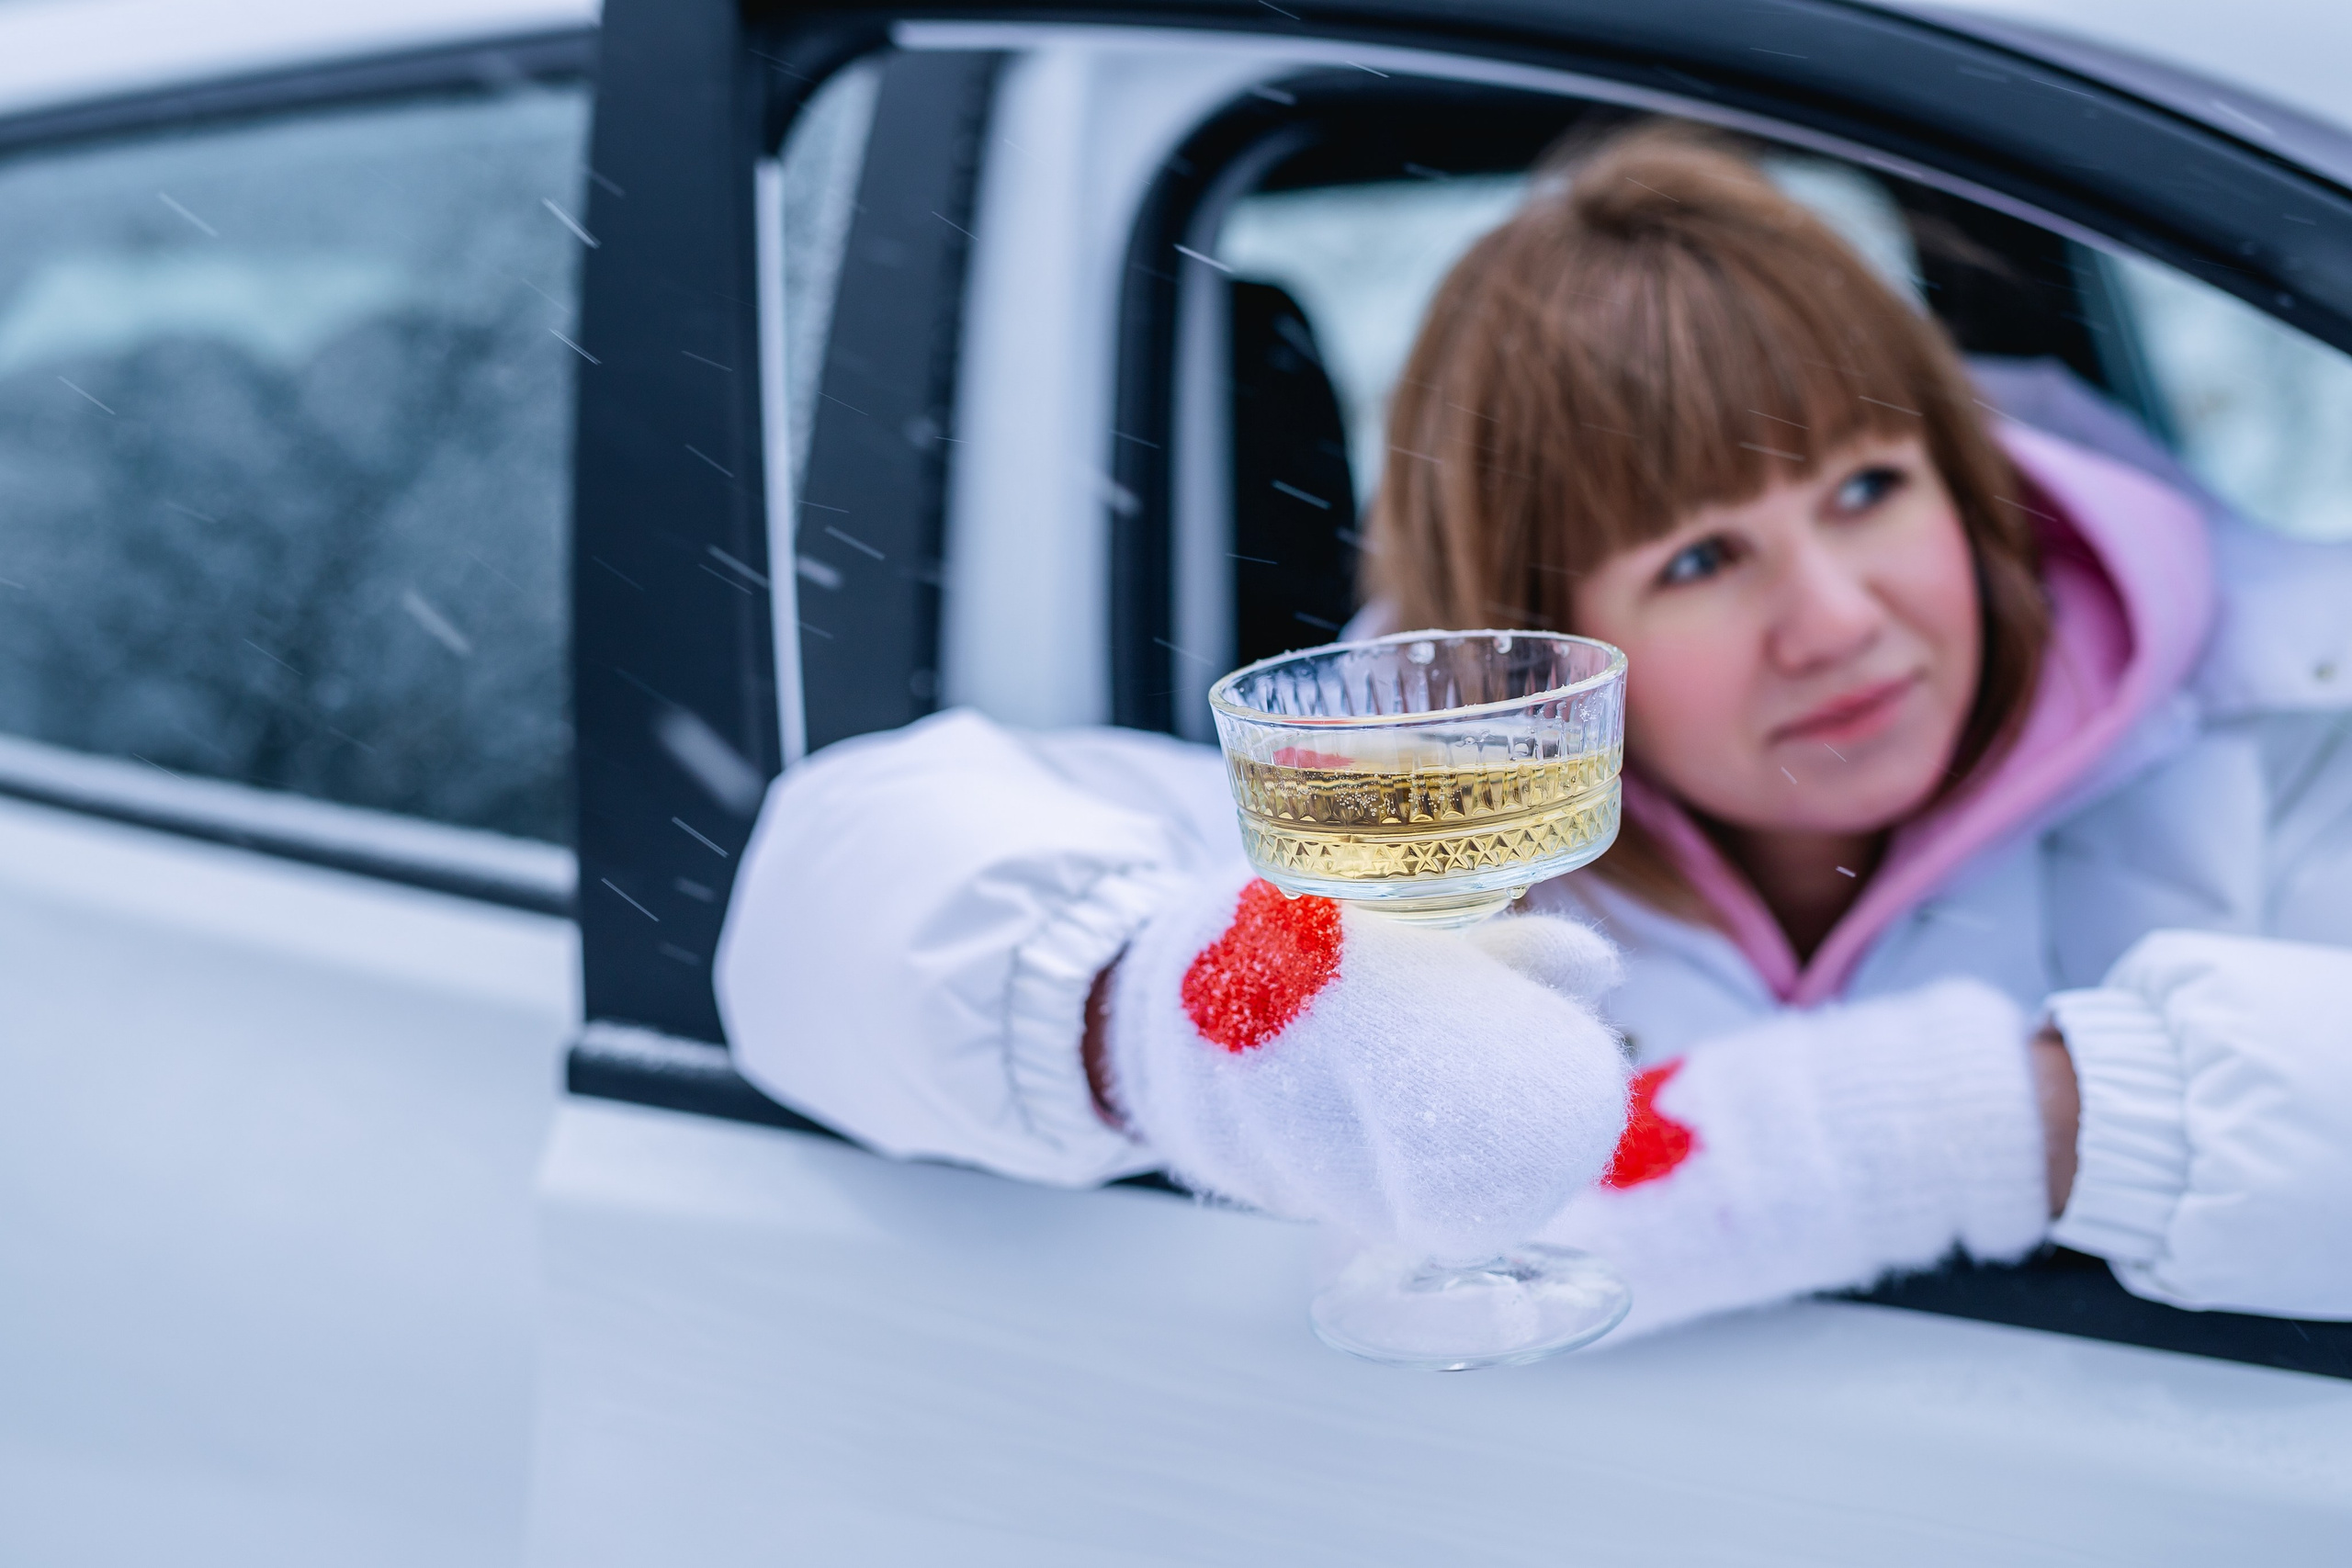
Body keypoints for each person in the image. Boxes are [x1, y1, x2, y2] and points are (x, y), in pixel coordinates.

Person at [718, 125, 2352, 1337]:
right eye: (1703, 557)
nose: (1839, 618)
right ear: (1549, 640)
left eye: (1869, 490)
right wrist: (1164, 1024)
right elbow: (826, 898)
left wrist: (2028, 1117)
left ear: (1969, 484)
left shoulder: (2290, 730)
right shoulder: (1422, 827)